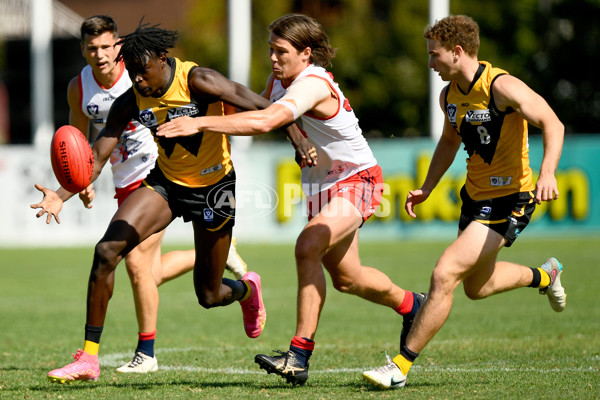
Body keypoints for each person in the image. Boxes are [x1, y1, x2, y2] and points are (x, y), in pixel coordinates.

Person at [33, 20, 315, 384]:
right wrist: (61, 193)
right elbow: (96, 159)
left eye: (142, 71)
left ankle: (246, 288)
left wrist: (298, 138)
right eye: (131, 73)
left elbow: (266, 106)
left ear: (162, 59)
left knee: (209, 295)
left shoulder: (198, 80)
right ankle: (88, 357)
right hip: (166, 185)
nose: (136, 80)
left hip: (215, 187)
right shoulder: (131, 100)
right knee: (106, 252)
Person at [156, 13, 425, 387]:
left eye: (281, 51)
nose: (273, 58)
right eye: (270, 50)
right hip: (321, 187)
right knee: (348, 278)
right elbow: (256, 112)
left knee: (307, 246)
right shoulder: (279, 81)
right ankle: (413, 305)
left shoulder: (312, 83)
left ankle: (298, 356)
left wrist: (197, 123)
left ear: (306, 53)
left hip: (357, 178)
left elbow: (267, 121)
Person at [361, 15, 567, 389]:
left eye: (434, 56)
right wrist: (427, 186)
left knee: (444, 273)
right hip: (475, 199)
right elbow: (449, 142)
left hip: (511, 199)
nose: (430, 64)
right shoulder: (449, 95)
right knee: (477, 286)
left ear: (457, 52)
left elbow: (553, 123)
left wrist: (548, 172)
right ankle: (545, 275)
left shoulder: (501, 86)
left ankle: (400, 367)